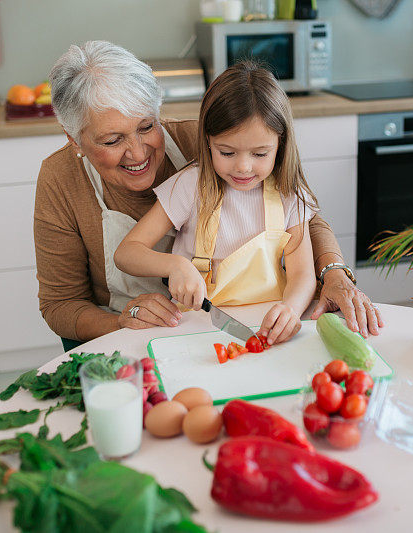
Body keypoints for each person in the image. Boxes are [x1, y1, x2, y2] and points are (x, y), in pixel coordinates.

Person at [35, 40, 383, 351]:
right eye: (112, 141)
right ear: (73, 139)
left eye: (147, 127)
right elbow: (60, 304)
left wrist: (333, 274)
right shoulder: (61, 180)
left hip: (237, 326)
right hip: (134, 334)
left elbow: (305, 221)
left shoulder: (209, 141)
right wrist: (123, 322)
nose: (138, 153)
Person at [115, 62, 318, 344]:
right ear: (208, 140)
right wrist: (175, 265)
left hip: (267, 328)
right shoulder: (190, 187)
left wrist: (291, 309)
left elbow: (303, 274)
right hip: (194, 331)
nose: (243, 167)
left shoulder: (288, 195)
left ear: (280, 145)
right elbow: (126, 253)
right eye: (227, 152)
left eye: (260, 154)